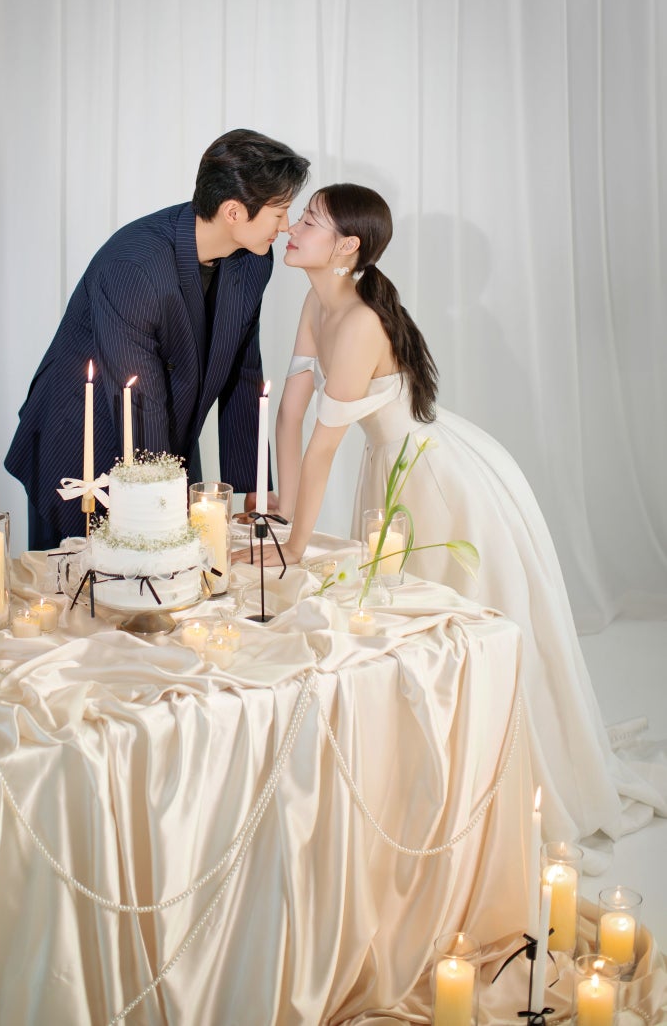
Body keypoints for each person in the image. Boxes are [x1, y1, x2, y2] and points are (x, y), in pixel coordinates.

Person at [268, 182, 665, 846]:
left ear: (345, 247)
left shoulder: (360, 322)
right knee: (403, 623)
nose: (293, 228)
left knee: (449, 620)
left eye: (309, 220)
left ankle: (487, 769)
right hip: (390, 466)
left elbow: (323, 447)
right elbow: (289, 413)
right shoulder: (317, 301)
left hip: (432, 478)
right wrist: (284, 513)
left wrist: (294, 547)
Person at [5, 129, 310, 550]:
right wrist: (164, 502)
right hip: (82, 442)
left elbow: (243, 369)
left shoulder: (253, 260)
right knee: (79, 582)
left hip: (167, 434)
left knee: (176, 573)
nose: (287, 226)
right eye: (280, 212)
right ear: (234, 212)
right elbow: (138, 399)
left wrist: (253, 483)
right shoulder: (134, 266)